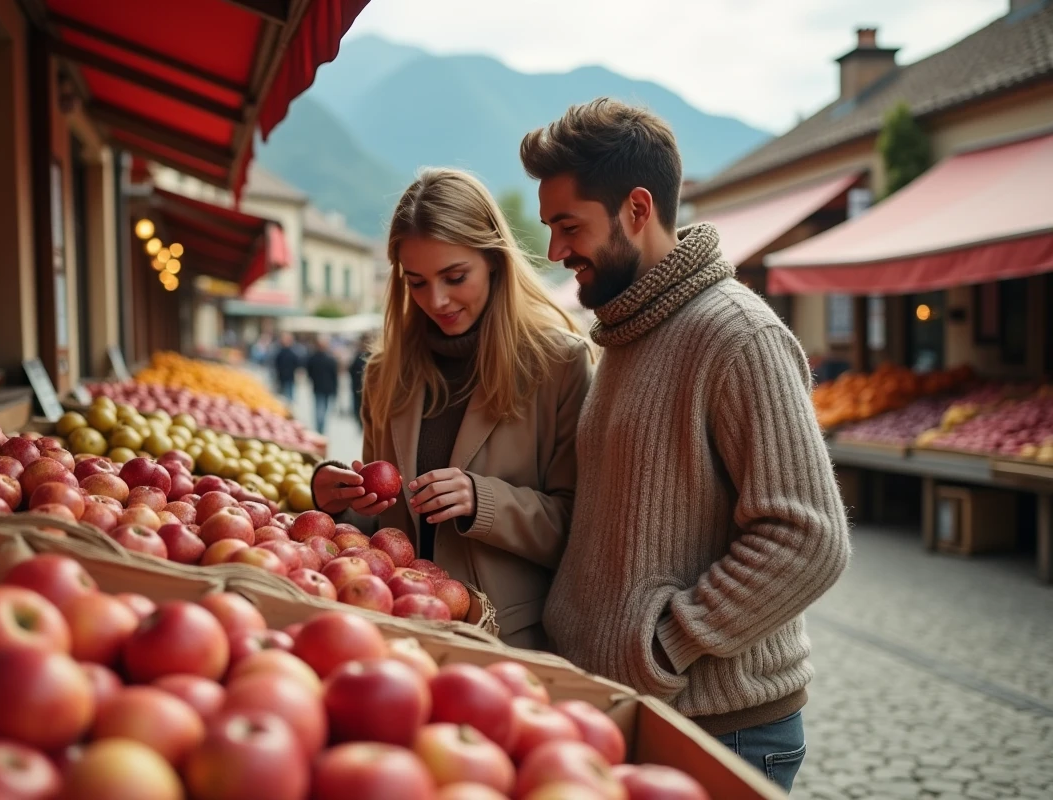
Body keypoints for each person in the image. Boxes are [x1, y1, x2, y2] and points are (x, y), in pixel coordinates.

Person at [522, 99, 850, 793]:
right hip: (632, 711)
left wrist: (668, 642)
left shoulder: (737, 334)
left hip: (723, 730)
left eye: (567, 226)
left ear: (637, 210)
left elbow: (808, 538)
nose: (554, 251)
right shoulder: (625, 333)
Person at [311, 168, 592, 650]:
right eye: (416, 282)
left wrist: (485, 502)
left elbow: (582, 527)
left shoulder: (560, 363)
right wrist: (336, 499)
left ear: (495, 262)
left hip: (506, 642)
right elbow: (381, 524)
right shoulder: (384, 372)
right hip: (397, 632)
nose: (436, 301)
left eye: (455, 277)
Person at [306, 335, 339, 435]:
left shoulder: (313, 358)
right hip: (326, 388)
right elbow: (335, 376)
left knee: (319, 408)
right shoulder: (330, 359)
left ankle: (319, 427)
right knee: (323, 408)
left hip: (319, 387)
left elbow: (309, 372)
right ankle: (321, 427)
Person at [347, 333, 371, 428]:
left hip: (361, 388)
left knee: (360, 408)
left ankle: (362, 423)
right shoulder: (362, 356)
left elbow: (351, 370)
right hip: (360, 387)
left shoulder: (361, 356)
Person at [272, 332, 301, 402]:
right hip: (284, 377)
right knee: (285, 397)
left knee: (287, 396)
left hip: (287, 377)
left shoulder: (286, 352)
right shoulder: (282, 352)